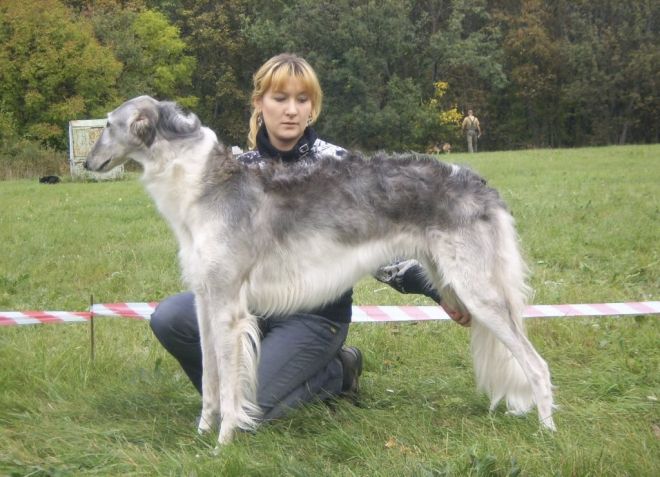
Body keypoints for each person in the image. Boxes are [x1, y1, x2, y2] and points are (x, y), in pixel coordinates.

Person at [149, 53, 470, 424]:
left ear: (312, 108)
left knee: (256, 412)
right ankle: (232, 396)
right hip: (252, 306)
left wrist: (439, 290)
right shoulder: (236, 171)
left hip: (315, 318)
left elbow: (382, 243)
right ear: (259, 104)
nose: (290, 110)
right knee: (171, 318)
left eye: (301, 100)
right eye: (279, 98)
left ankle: (338, 372)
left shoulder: (341, 165)